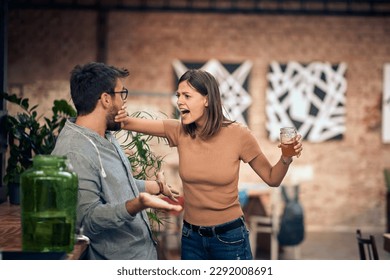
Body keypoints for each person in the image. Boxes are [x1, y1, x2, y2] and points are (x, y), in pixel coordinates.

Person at [115, 69, 303, 260]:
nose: (180, 101)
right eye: (178, 95)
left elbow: (273, 178)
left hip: (230, 239)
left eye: (187, 96)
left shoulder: (238, 135)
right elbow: (126, 123)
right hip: (191, 238)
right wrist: (115, 107)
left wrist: (286, 157)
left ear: (207, 99)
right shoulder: (179, 131)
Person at [51, 62, 182, 260]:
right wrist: (136, 205)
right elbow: (86, 220)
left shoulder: (105, 135)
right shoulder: (75, 151)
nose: (124, 102)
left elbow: (114, 184)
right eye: (122, 94)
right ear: (105, 99)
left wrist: (154, 187)